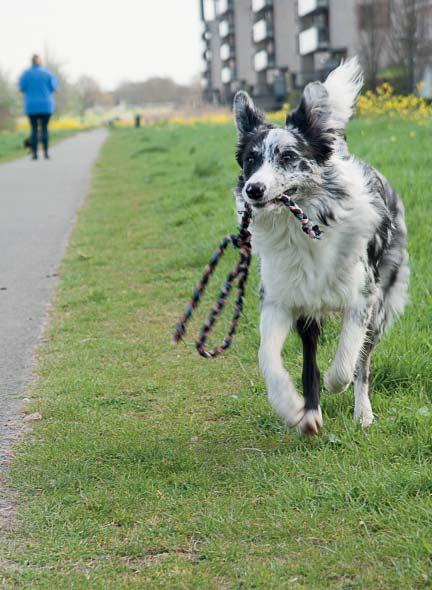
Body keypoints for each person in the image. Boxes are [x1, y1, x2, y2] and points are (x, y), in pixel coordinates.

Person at [19, 55, 58, 160]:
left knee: (34, 130)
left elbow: (22, 88)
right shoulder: (48, 73)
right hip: (46, 105)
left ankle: (35, 154)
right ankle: (46, 153)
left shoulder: (26, 74)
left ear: (31, 62)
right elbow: (54, 88)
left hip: (31, 106)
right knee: (44, 128)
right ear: (41, 62)